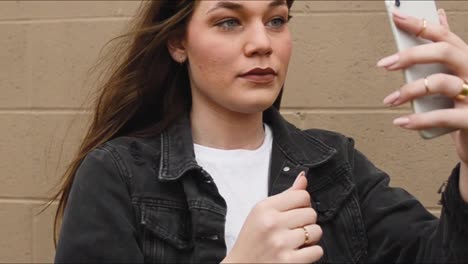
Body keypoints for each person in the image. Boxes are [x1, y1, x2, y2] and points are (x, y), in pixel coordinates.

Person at [53, 0, 468, 263]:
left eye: (276, 20)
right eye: (229, 22)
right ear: (178, 42)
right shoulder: (117, 175)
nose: (261, 43)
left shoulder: (334, 164)